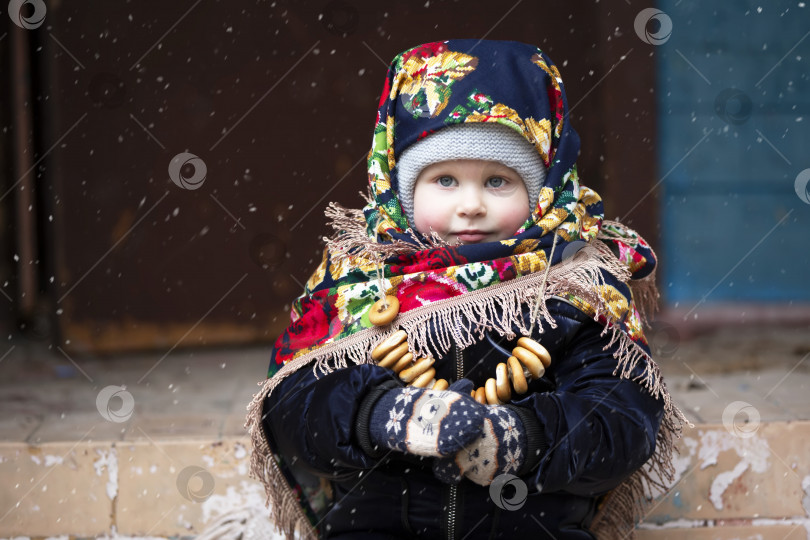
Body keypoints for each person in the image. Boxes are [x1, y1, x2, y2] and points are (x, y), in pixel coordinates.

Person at [247, 39, 685, 539]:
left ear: (544, 191)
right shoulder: (358, 281)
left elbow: (622, 418)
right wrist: (381, 414)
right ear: (401, 188)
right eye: (446, 180)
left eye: (499, 181)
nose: (471, 205)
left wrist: (524, 435)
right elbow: (295, 411)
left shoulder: (575, 287)